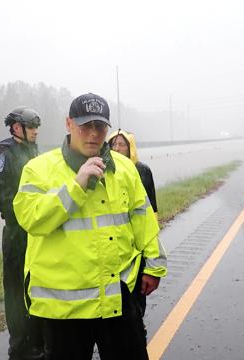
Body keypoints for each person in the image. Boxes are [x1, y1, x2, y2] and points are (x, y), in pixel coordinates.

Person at [13, 93, 167, 360]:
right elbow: (31, 219)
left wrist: (155, 266)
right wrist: (76, 187)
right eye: (85, 126)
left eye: (100, 127)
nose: (93, 134)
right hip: (63, 308)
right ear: (68, 124)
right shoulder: (38, 169)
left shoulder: (124, 168)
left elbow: (142, 217)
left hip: (116, 296)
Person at [0, 107, 45, 360]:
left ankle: (38, 340)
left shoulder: (34, 151)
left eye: (36, 128)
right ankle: (19, 346)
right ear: (16, 128)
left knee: (37, 286)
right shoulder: (4, 154)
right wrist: (24, 211)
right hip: (15, 231)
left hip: (36, 229)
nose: (35, 132)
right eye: (31, 127)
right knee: (15, 290)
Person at [108, 129, 157, 331]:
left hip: (138, 240)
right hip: (117, 241)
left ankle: (137, 323)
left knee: (137, 287)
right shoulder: (105, 169)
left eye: (122, 144)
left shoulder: (141, 170)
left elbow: (151, 210)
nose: (117, 148)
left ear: (131, 148)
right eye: (114, 145)